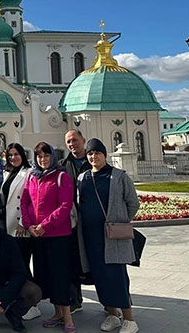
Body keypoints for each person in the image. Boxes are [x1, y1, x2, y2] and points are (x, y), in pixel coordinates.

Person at [77, 139, 140, 333]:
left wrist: (119, 222)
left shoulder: (118, 176)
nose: (93, 156)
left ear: (104, 154)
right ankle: (112, 314)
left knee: (117, 276)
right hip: (91, 236)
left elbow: (133, 203)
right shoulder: (83, 178)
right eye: (90, 153)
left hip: (113, 237)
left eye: (97, 152)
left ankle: (129, 319)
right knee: (100, 276)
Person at [21, 142, 76, 332]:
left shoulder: (61, 177)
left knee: (60, 275)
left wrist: (44, 226)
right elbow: (25, 201)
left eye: (46, 156)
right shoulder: (32, 177)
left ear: (52, 156)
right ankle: (57, 313)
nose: (43, 160)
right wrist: (29, 225)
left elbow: (65, 207)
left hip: (57, 235)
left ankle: (68, 317)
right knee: (46, 275)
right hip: (37, 235)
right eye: (39, 156)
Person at [0, 142, 40, 321]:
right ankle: (20, 298)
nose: (13, 157)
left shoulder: (29, 172)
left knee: (23, 265)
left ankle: (33, 304)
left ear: (22, 155)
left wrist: (25, 221)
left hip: (21, 227)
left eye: (16, 154)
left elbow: (31, 199)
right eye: (10, 155)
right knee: (15, 266)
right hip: (9, 227)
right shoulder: (8, 172)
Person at [61, 129, 90, 314]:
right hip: (72, 222)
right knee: (72, 261)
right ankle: (74, 299)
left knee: (97, 261)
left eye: (75, 140)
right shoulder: (64, 165)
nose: (72, 144)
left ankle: (110, 303)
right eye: (69, 142)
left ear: (83, 140)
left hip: (93, 221)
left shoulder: (94, 160)